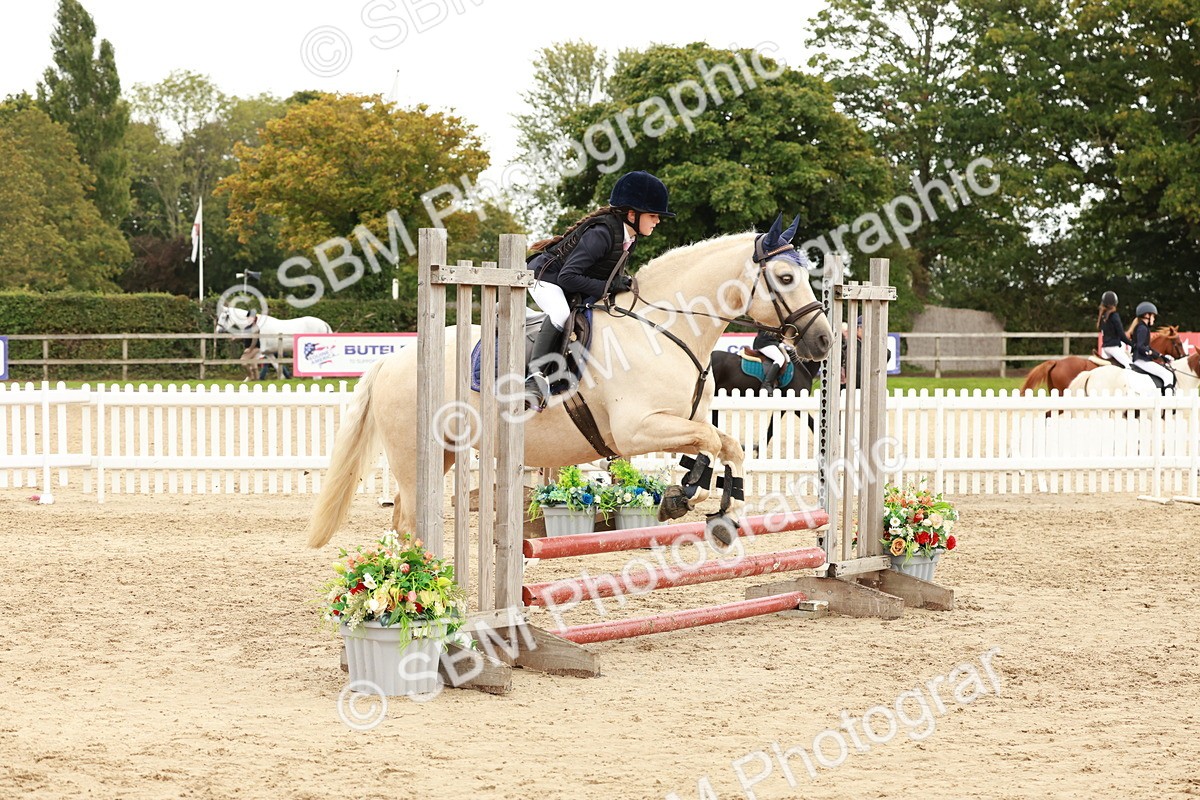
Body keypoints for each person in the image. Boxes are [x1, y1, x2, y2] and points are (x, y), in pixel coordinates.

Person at [522, 170, 674, 410]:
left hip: (568, 282)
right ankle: (534, 379)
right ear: (632, 214)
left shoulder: (629, 237)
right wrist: (609, 286)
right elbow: (568, 277)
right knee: (561, 314)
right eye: (653, 215)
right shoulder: (602, 234)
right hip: (545, 277)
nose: (658, 221)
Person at [1128, 301, 1175, 392]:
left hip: (1141, 359)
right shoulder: (1143, 328)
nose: (1154, 319)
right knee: (1168, 375)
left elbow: (1146, 347)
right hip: (1141, 360)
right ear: (1147, 315)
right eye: (1153, 316)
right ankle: (1168, 402)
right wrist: (1151, 353)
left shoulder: (1141, 327)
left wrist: (1160, 356)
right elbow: (1140, 346)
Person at [1097, 290, 1133, 367]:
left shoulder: (1103, 316)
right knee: (1131, 366)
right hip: (1113, 347)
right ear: (1115, 303)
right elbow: (1122, 335)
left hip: (1105, 348)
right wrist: (1133, 345)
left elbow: (1100, 328)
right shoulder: (1114, 316)